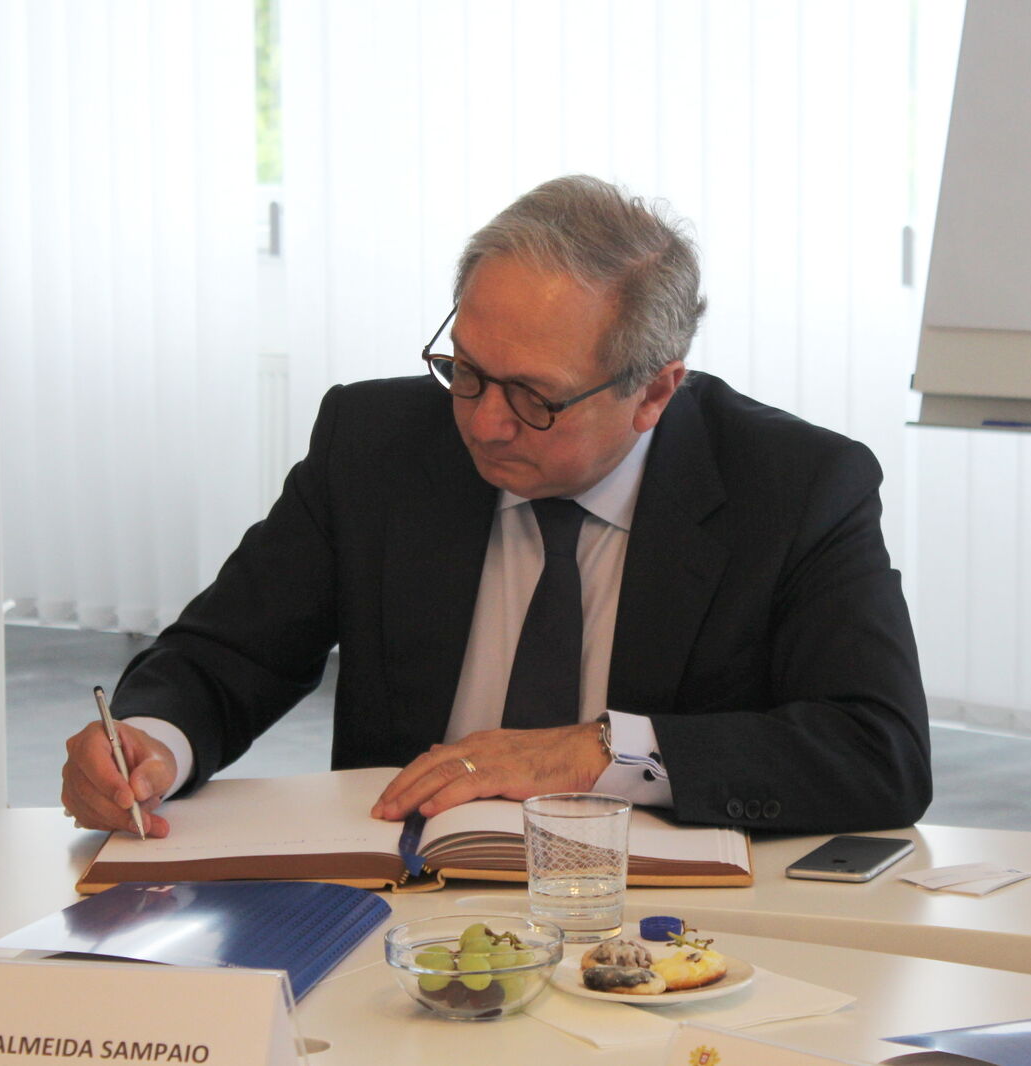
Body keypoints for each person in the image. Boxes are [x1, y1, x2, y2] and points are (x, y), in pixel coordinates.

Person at [61, 175, 931, 838]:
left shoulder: (793, 486)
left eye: (534, 398)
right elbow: (228, 653)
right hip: (402, 907)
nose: (482, 423)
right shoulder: (377, 445)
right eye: (467, 372)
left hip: (664, 927)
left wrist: (595, 751)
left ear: (654, 393)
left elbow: (877, 750)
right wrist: (148, 742)